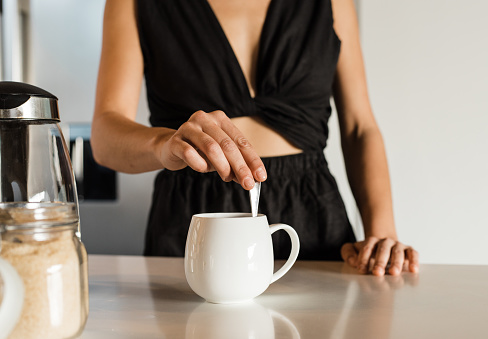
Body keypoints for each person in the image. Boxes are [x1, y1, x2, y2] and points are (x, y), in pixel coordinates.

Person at [91, 0, 419, 276]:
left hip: (313, 213)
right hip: (194, 215)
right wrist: (165, 144)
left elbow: (359, 127)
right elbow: (105, 135)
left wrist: (382, 231)